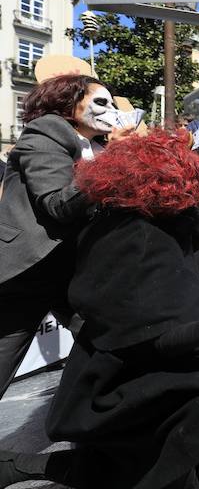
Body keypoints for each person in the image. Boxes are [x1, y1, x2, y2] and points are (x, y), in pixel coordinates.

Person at [0, 131, 199, 488]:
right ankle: (25, 467)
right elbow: (153, 341)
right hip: (114, 391)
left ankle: (22, 467)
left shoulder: (118, 223)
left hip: (104, 376)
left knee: (156, 446)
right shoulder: (140, 240)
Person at [0, 74, 133, 399]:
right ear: (69, 105)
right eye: (101, 102)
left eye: (113, 103)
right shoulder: (46, 133)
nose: (111, 110)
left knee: (112, 345)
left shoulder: (98, 147)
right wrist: (114, 158)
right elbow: (59, 204)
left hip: (74, 275)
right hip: (26, 273)